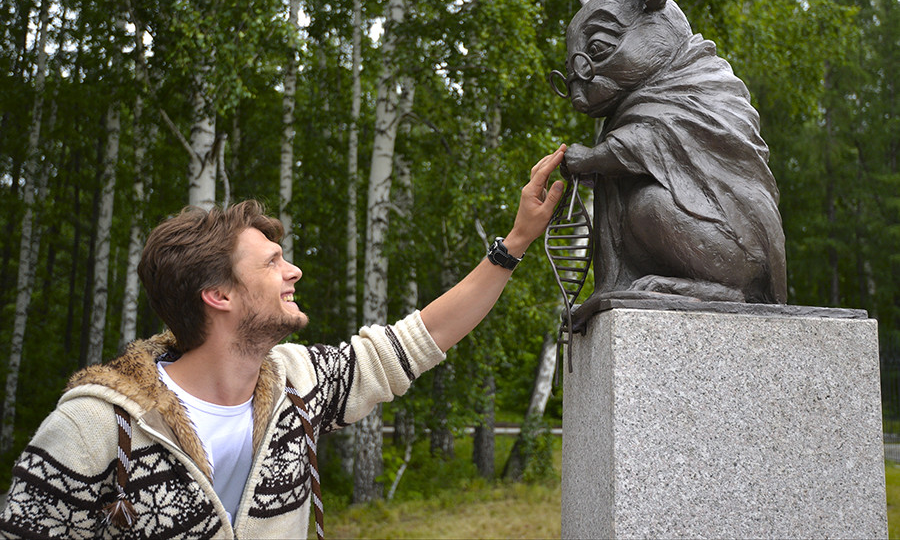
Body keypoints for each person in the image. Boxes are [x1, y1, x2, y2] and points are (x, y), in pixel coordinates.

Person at [0, 145, 567, 540]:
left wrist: (515, 241)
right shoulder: (96, 429)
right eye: (273, 262)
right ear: (218, 295)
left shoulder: (298, 385)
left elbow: (420, 338)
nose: (293, 271)